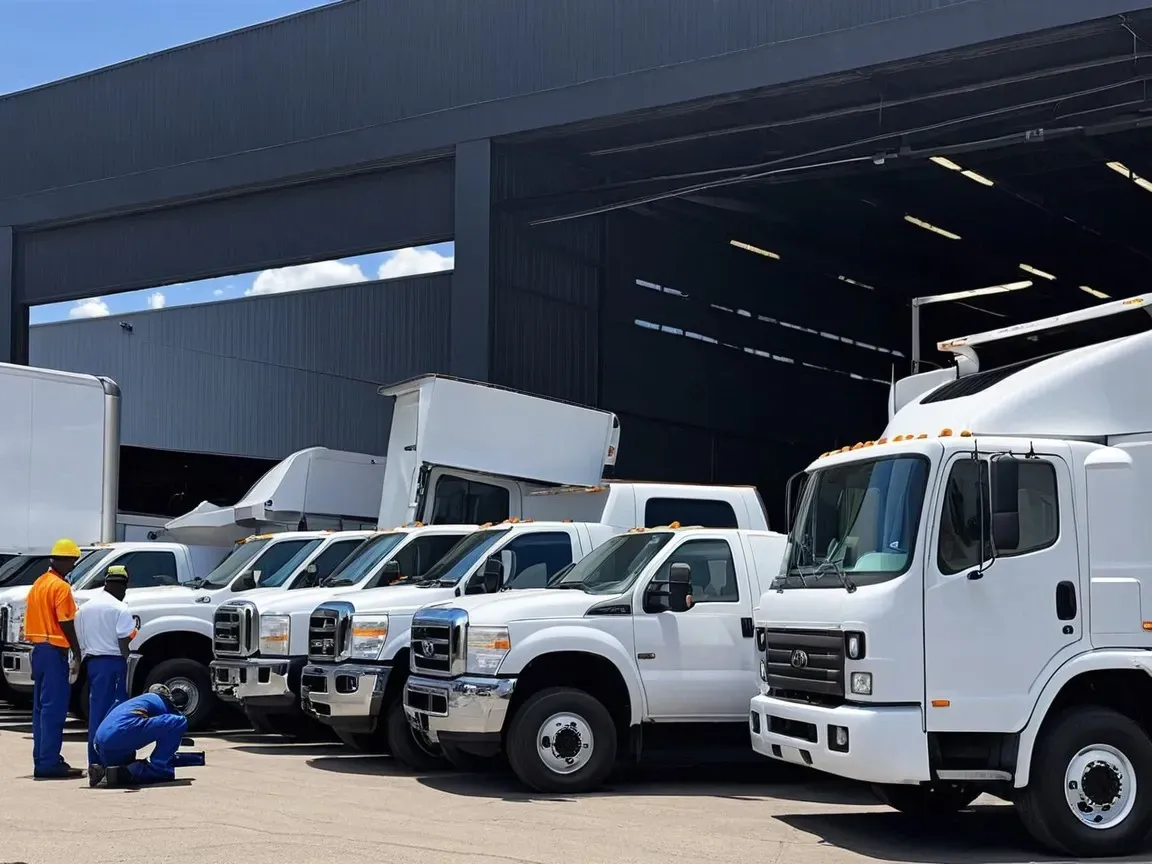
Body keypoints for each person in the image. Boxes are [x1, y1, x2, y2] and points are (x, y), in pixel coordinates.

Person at [25, 538, 84, 779]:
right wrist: (77, 651)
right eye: (73, 561)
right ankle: (48, 764)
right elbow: (66, 621)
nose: (73, 566)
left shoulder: (39, 583)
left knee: (40, 710)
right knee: (54, 710)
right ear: (65, 560)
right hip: (53, 652)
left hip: (39, 651)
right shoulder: (60, 587)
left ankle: (44, 758)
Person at [74, 564, 137, 777]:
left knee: (97, 714)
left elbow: (80, 640)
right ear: (123, 585)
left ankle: (95, 761)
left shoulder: (85, 608)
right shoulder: (120, 608)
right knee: (118, 713)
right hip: (114, 663)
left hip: (93, 664)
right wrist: (129, 661)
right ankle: (116, 760)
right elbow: (123, 641)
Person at [89, 683, 189, 788]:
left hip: (101, 743)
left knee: (124, 767)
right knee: (179, 722)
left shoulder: (136, 702)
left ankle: (107, 771)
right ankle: (159, 769)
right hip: (120, 732)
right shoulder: (161, 701)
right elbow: (174, 725)